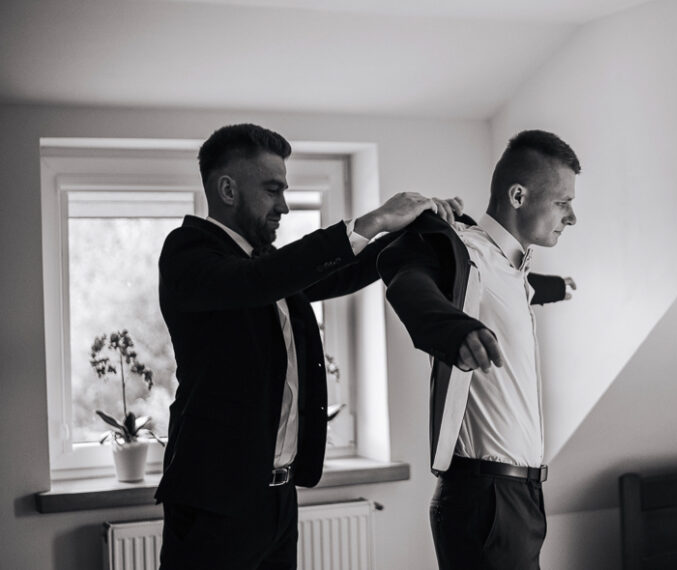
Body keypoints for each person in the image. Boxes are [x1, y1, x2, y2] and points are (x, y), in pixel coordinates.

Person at [155, 123, 461, 569]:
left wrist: (414, 230)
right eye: (272, 190)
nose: (284, 205)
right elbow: (258, 281)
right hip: (213, 503)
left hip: (277, 499)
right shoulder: (187, 253)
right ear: (227, 189)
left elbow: (340, 271)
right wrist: (374, 219)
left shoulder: (266, 264)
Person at [377, 129, 580, 570]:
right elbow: (407, 279)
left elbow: (526, 289)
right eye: (563, 202)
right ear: (519, 196)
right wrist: (455, 331)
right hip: (485, 499)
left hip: (521, 497)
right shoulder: (462, 251)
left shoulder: (514, 271)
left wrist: (562, 288)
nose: (572, 217)